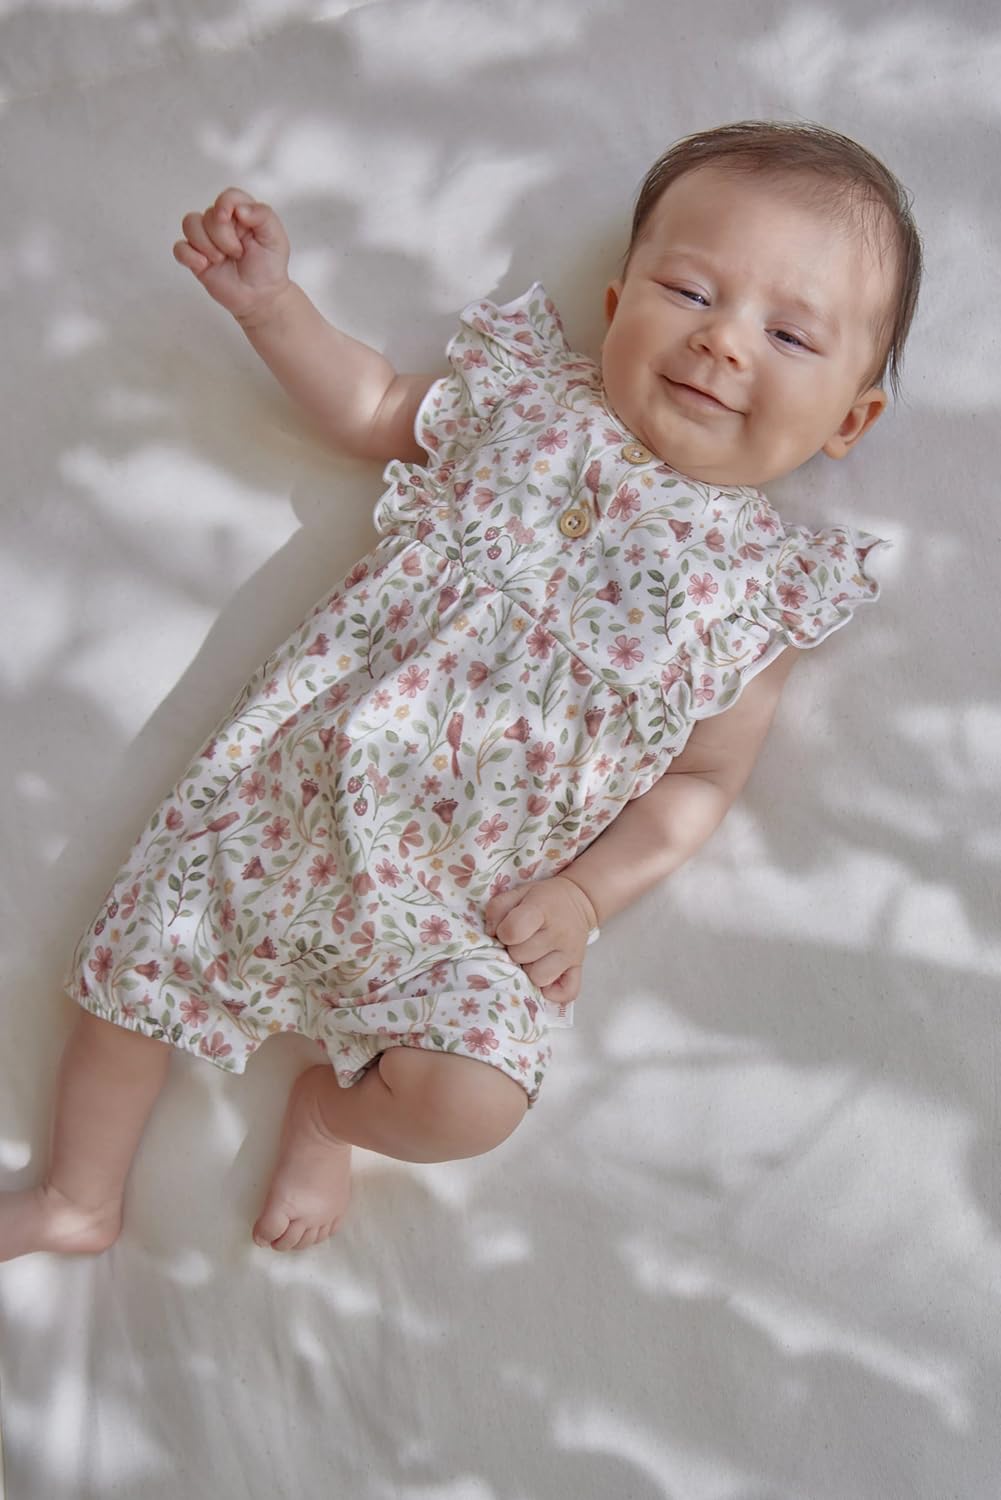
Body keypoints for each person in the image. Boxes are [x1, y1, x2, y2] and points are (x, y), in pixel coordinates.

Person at [0, 120, 922, 1260]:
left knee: (477, 1097)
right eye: (689, 292)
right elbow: (372, 406)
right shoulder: (526, 408)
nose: (721, 341)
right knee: (130, 980)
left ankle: (329, 1114)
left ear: (849, 418)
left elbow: (699, 781)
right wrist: (271, 307)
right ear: (616, 303)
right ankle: (78, 1196)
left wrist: (584, 898)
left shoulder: (754, 598)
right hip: (277, 806)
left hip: (453, 909)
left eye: (787, 334)